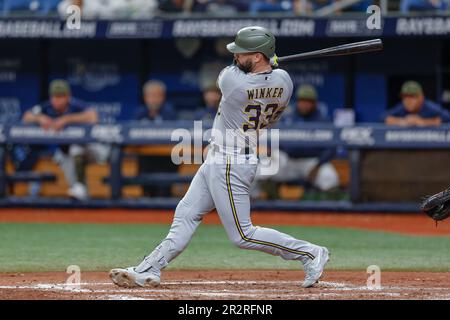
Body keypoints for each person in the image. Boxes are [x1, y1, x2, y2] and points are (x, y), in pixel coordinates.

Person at [110, 26, 329, 289]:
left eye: (242, 53)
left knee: (243, 235)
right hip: (224, 159)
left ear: (258, 56)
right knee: (186, 213)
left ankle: (310, 253)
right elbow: (267, 76)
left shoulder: (232, 82)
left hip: (230, 162)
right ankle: (149, 269)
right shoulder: (285, 82)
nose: (236, 56)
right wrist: (267, 63)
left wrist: (262, 63)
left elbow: (234, 71)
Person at [22, 79, 110, 201]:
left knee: (76, 147)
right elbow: (27, 116)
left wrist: (66, 119)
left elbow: (93, 116)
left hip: (93, 149)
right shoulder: (46, 107)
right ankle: (84, 203)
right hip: (67, 154)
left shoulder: (75, 105)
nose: (56, 100)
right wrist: (39, 118)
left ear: (68, 96)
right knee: (78, 189)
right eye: (54, 96)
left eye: (60, 96)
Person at [255, 84, 339, 195]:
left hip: (312, 162)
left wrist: (318, 165)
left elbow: (332, 149)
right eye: (301, 101)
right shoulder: (288, 119)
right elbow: (273, 139)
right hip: (288, 161)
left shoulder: (323, 122)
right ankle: (262, 199)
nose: (303, 104)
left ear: (314, 103)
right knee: (260, 170)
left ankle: (326, 207)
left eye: (307, 101)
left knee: (330, 177)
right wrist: (272, 150)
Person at [134, 80, 178, 197]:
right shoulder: (140, 112)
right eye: (150, 96)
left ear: (163, 97)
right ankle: (147, 192)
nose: (153, 99)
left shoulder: (169, 112)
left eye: (157, 95)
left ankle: (164, 192)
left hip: (165, 157)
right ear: (145, 97)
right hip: (146, 156)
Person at [384, 81, 450, 126]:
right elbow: (383, 117)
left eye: (412, 97)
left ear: (421, 98)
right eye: (405, 97)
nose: (408, 101)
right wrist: (402, 121)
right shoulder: (402, 107)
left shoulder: (429, 107)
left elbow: (447, 116)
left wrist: (423, 122)